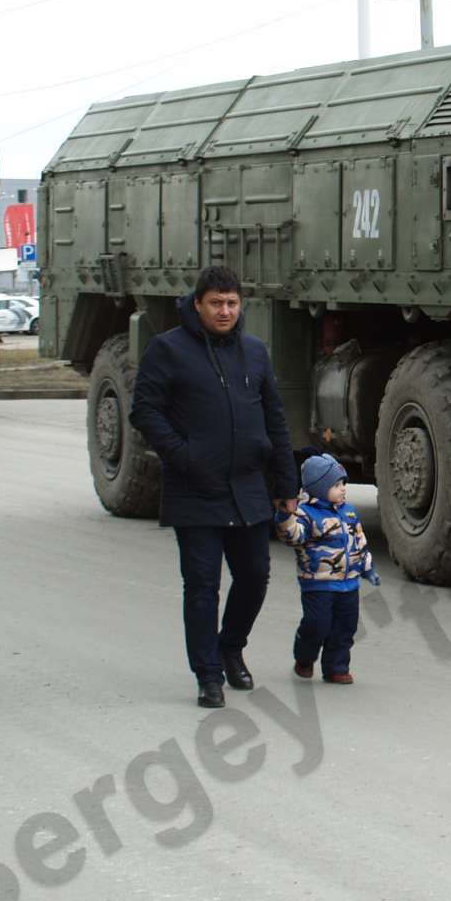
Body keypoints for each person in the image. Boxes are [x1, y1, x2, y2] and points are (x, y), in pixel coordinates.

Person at [131, 265, 298, 708]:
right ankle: (207, 675)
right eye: (215, 303)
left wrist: (287, 483)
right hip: (195, 488)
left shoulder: (255, 352)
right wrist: (184, 455)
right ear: (198, 304)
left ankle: (231, 646)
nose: (224, 311)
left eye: (232, 303)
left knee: (255, 577)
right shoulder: (168, 349)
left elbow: (275, 420)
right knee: (202, 585)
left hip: (247, 487)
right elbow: (145, 411)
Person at [276, 454, 380, 685]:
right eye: (336, 485)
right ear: (319, 488)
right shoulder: (306, 515)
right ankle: (305, 657)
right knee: (317, 624)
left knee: (345, 627)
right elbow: (293, 536)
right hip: (318, 582)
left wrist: (367, 568)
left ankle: (336, 667)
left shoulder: (349, 512)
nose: (343, 489)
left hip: (349, 583)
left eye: (343, 483)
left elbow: (359, 542)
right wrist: (285, 517)